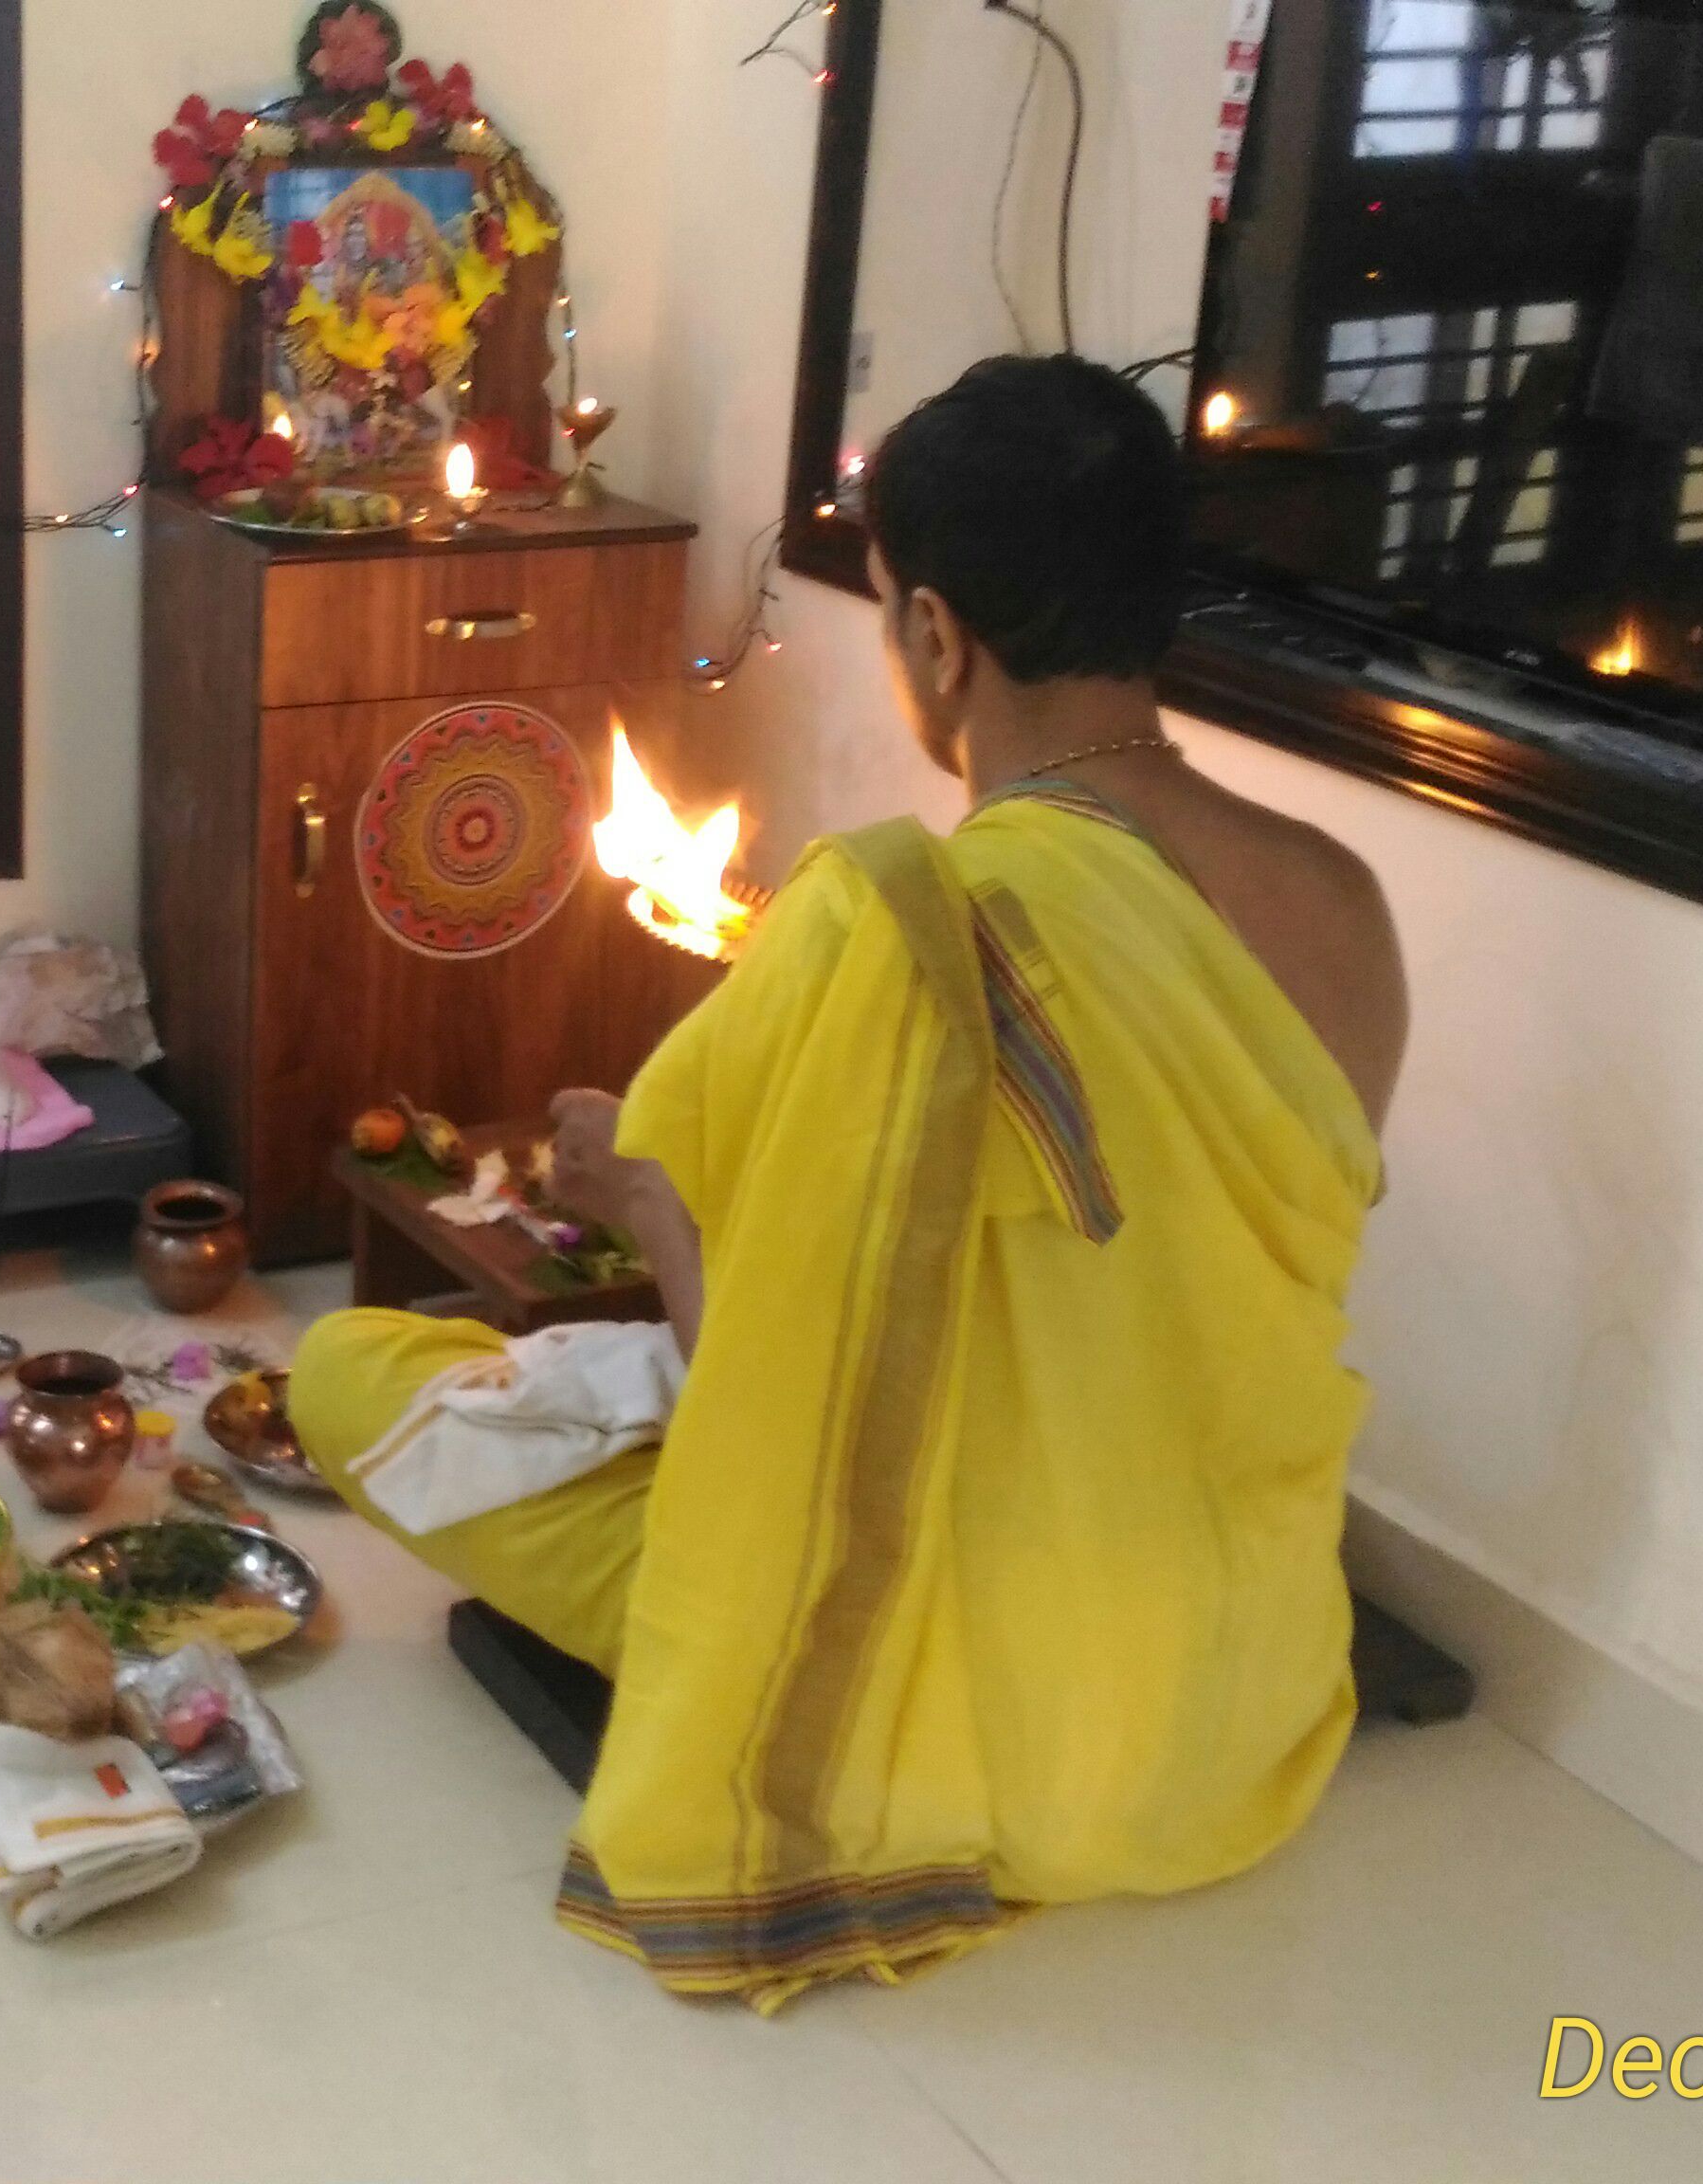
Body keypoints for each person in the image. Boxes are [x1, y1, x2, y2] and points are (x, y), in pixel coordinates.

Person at [287, 354, 1409, 2010]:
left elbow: (775, 1402)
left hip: (956, 1716)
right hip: (1236, 1704)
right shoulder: (1346, 903)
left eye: (885, 611)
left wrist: (646, 1202)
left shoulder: (895, 926)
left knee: (346, 1371)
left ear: (937, 633)